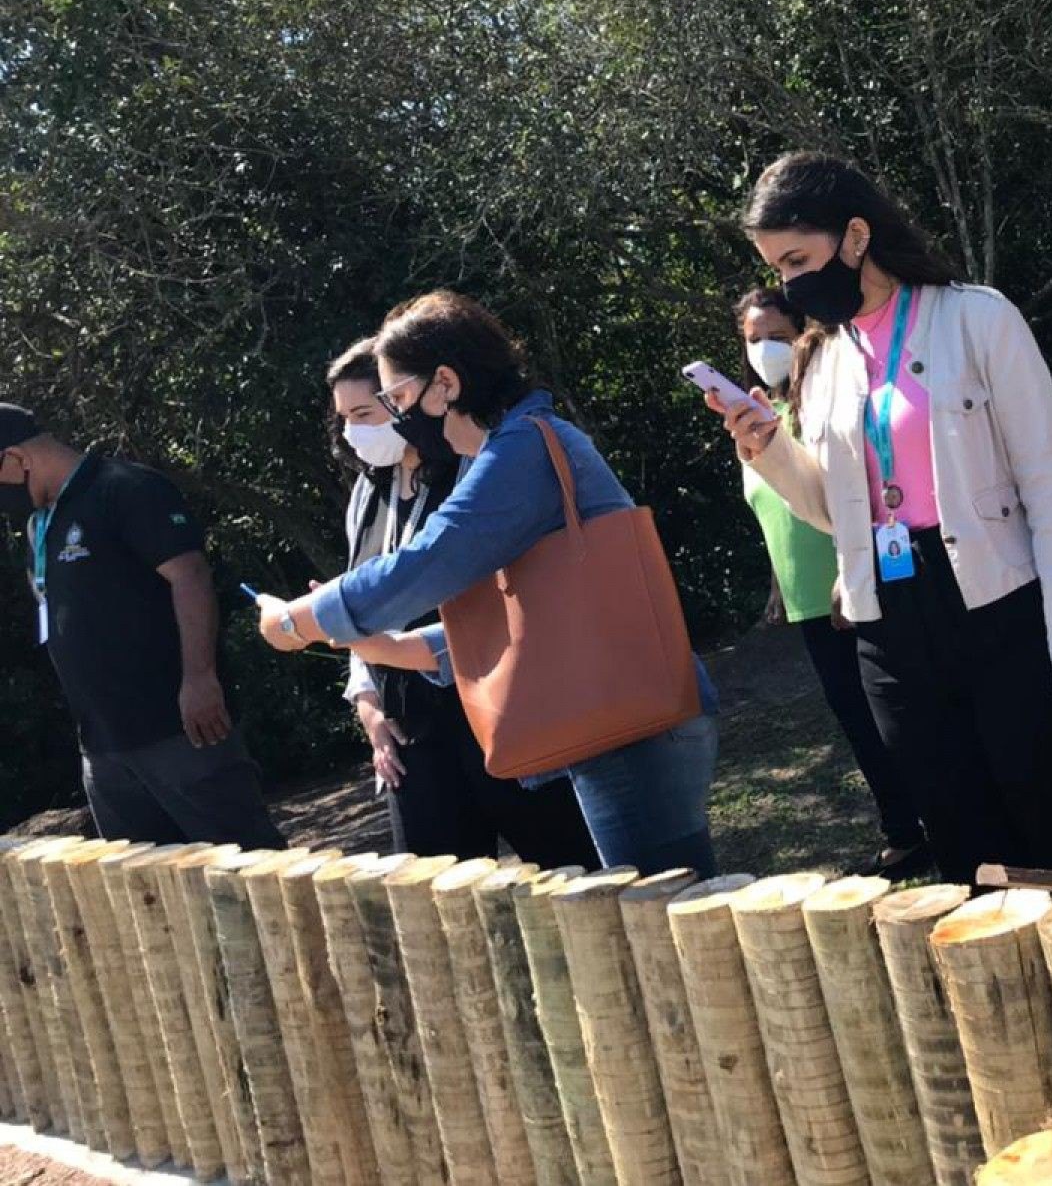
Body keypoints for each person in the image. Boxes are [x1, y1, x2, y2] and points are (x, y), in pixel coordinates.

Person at [712, 152, 1052, 886]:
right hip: (889, 630)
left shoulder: (978, 317)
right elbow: (838, 513)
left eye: (796, 259)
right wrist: (770, 451)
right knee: (973, 862)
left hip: (1002, 611)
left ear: (854, 236)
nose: (789, 285)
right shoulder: (824, 360)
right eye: (775, 268)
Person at [255, 292, 720, 877]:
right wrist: (406, 649)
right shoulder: (504, 448)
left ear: (445, 383)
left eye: (399, 398)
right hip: (620, 715)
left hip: (633, 731)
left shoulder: (522, 448)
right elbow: (503, 611)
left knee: (667, 921)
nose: (399, 418)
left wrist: (301, 618)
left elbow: (430, 562)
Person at [327, 340, 599, 867]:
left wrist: (317, 618)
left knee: (570, 872)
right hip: (410, 731)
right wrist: (368, 705)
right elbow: (361, 592)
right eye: (342, 419)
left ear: (398, 401)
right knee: (437, 897)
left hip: (494, 702)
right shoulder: (366, 492)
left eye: (363, 413)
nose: (351, 432)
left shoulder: (469, 470)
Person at [0, 404, 283, 849]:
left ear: (17, 458)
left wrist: (200, 678)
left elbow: (190, 576)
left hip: (180, 729)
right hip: (103, 746)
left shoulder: (125, 489)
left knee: (244, 868)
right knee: (147, 894)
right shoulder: (43, 523)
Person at [735, 288, 929, 877]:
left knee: (893, 712)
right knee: (854, 718)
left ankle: (925, 825)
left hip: (855, 585)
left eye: (776, 334)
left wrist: (850, 570)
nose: (765, 348)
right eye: (752, 339)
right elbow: (774, 505)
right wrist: (777, 583)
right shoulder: (753, 415)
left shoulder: (820, 400)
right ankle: (902, 827)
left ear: (802, 331)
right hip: (804, 600)